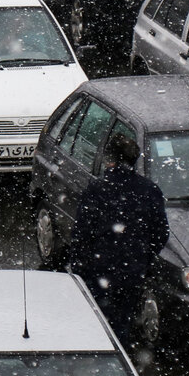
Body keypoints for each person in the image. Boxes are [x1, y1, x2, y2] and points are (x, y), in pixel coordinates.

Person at [69, 133, 169, 346]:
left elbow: (81, 234)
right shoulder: (149, 190)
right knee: (123, 321)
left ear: (109, 159)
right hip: (132, 271)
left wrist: (80, 266)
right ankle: (120, 359)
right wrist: (143, 258)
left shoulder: (97, 189)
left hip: (100, 271)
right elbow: (160, 233)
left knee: (99, 323)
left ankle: (103, 356)